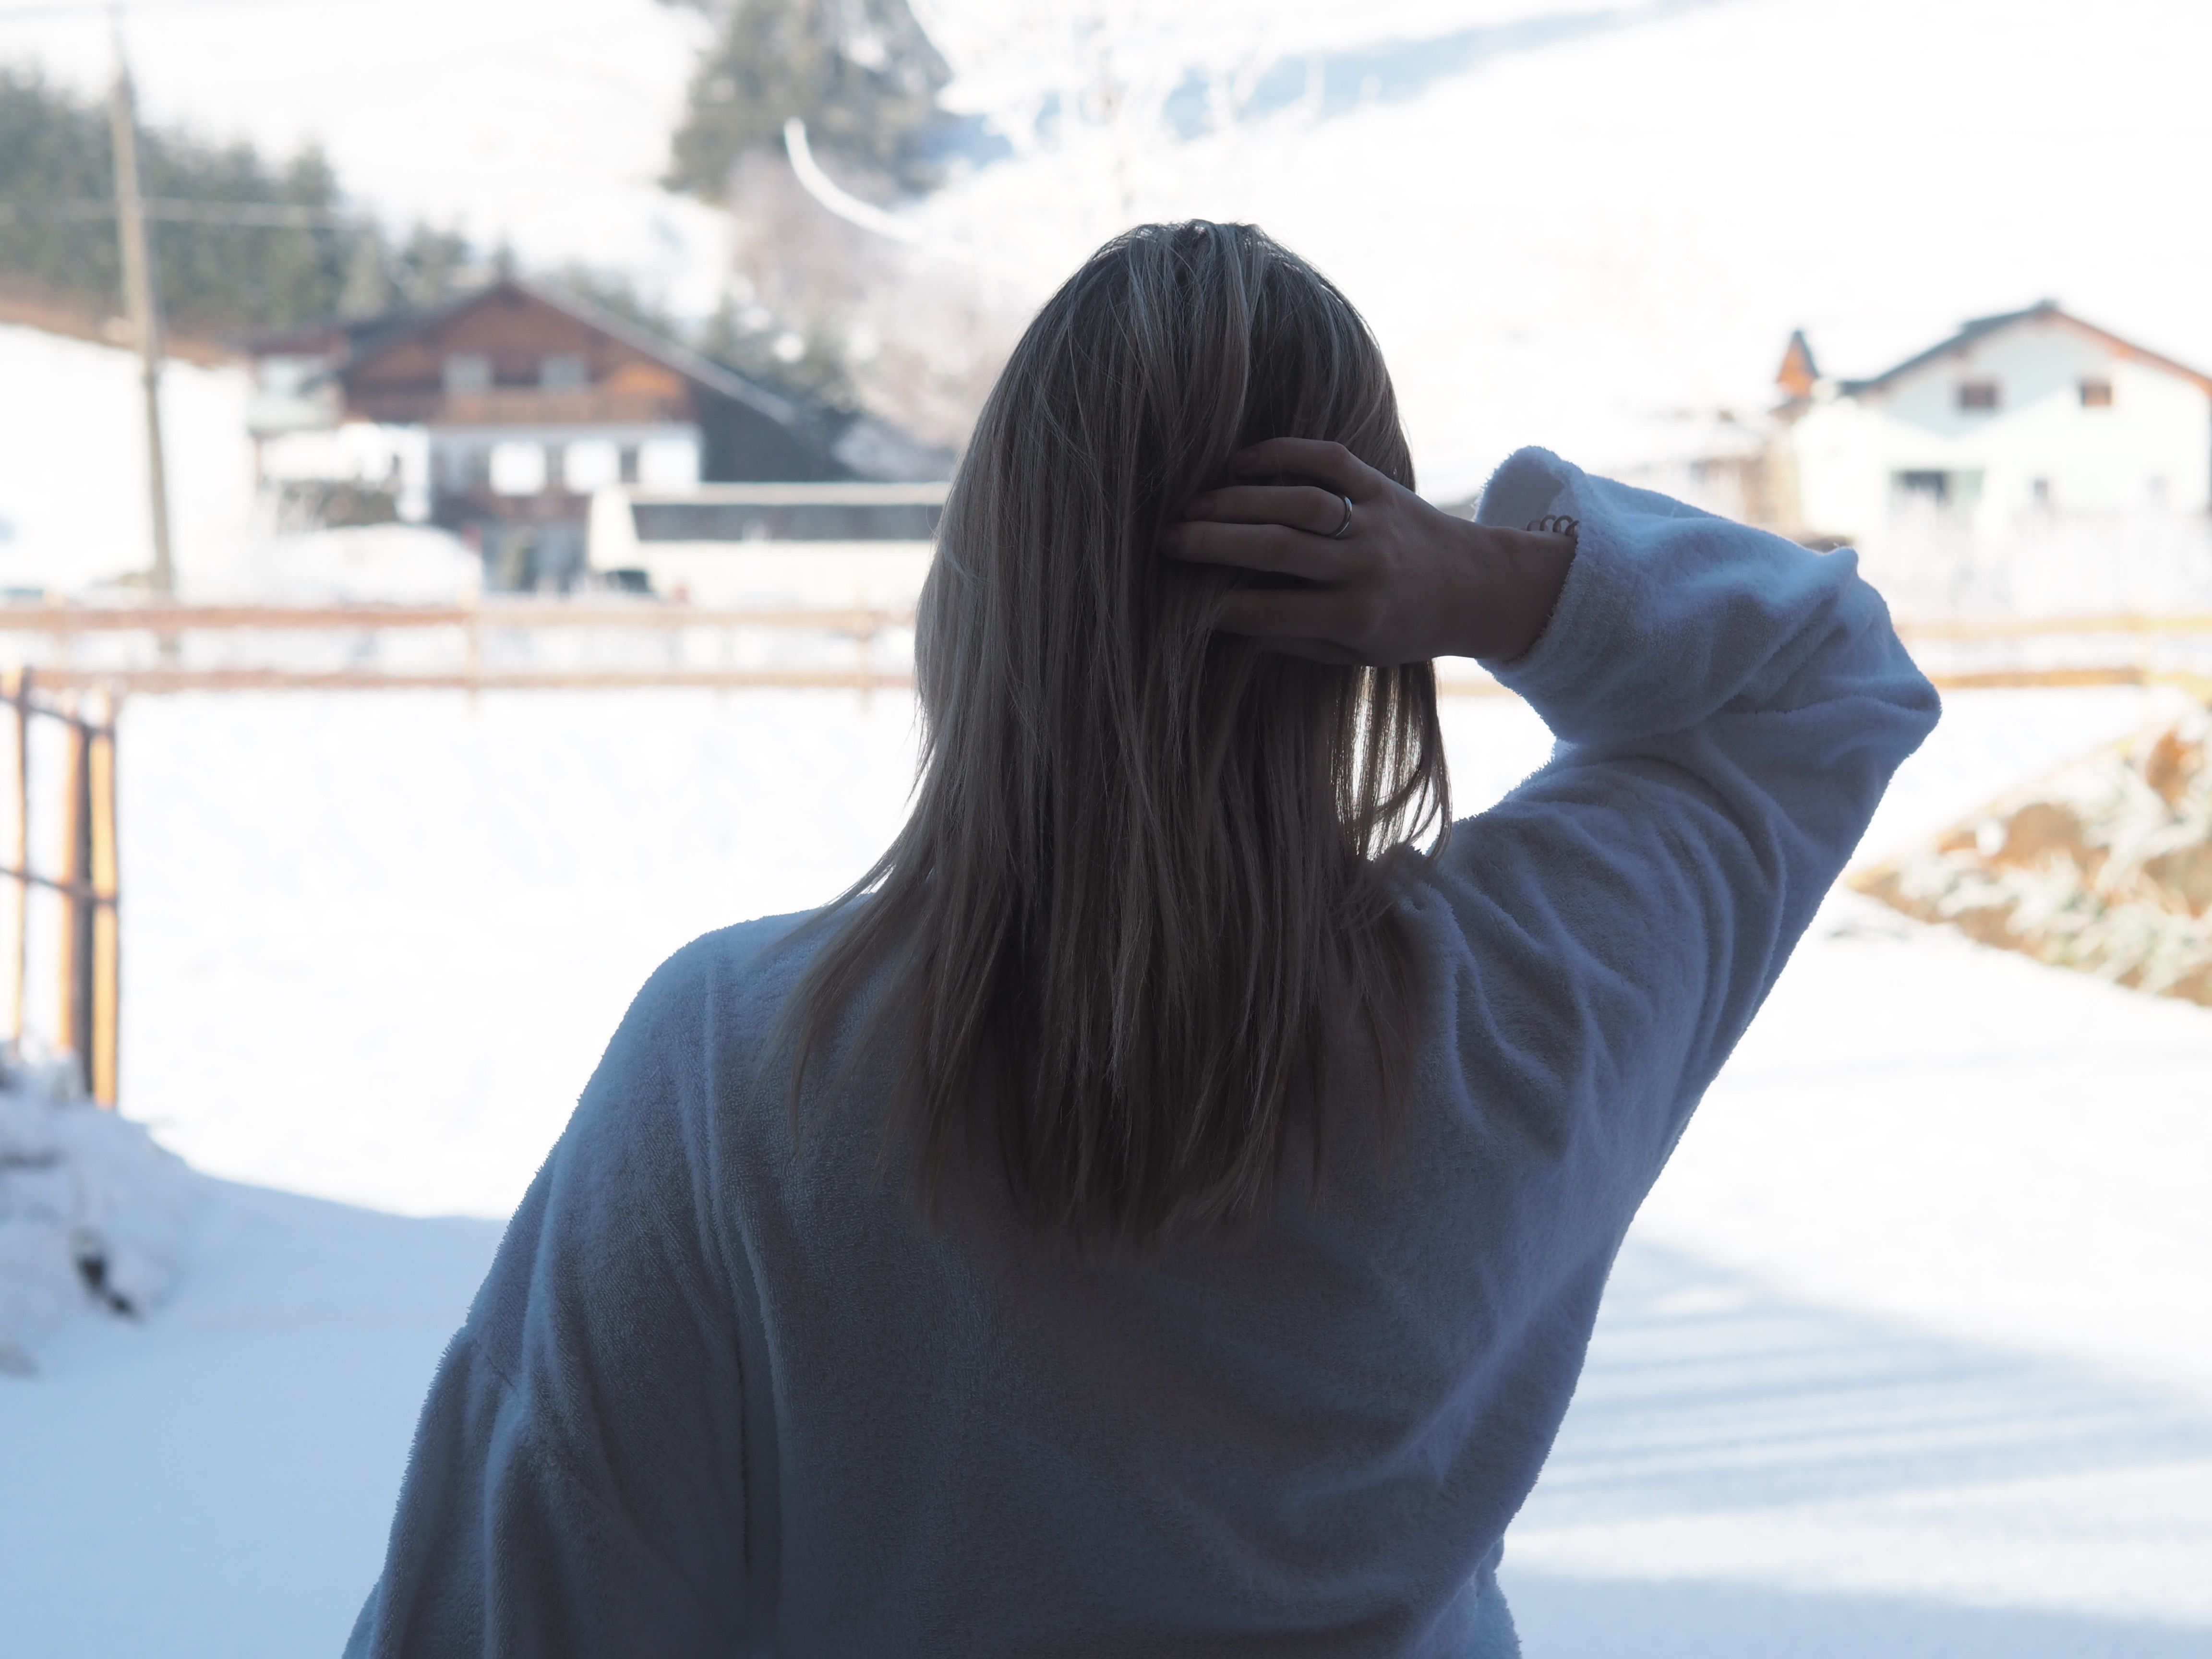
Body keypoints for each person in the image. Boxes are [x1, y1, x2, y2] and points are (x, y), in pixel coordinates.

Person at [345, 222, 1937, 1657]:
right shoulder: (1526, 1013)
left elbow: (507, 1613)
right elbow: (1828, 676)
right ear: (1362, 623)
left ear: (987, 583)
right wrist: (1499, 587)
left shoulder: (737, 1071)